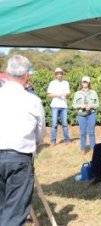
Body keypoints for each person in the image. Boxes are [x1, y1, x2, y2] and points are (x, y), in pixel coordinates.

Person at [0, 55, 46, 225]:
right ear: (27, 76)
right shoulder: (33, 100)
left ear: (6, 73)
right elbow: (40, 134)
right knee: (13, 214)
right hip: (19, 159)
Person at [72, 76, 99, 155]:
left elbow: (97, 104)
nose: (85, 83)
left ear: (89, 83)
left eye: (86, 82)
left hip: (91, 114)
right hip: (81, 115)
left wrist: (91, 106)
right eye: (83, 82)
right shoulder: (77, 94)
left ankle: (93, 148)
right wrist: (81, 106)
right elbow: (73, 105)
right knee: (83, 132)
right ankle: (83, 149)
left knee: (91, 132)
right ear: (81, 83)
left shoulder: (93, 93)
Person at [47, 67, 71, 145]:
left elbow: (68, 93)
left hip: (64, 105)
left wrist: (65, 94)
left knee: (65, 124)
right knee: (54, 124)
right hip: (55, 105)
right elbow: (49, 95)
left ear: (62, 74)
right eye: (58, 74)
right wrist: (57, 95)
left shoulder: (66, 83)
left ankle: (67, 140)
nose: (59, 75)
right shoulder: (52, 83)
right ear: (55, 75)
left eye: (60, 73)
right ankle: (53, 141)